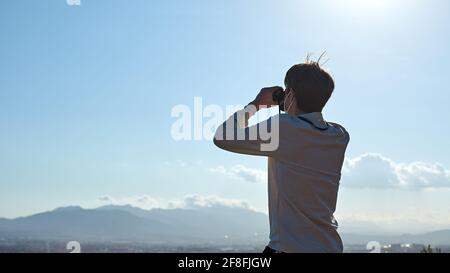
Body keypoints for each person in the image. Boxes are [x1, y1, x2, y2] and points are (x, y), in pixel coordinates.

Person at [213, 58, 350, 253]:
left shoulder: (283, 128)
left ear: (291, 95)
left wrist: (256, 104)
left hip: (288, 248)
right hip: (329, 246)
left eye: (286, 92)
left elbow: (222, 137)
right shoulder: (339, 135)